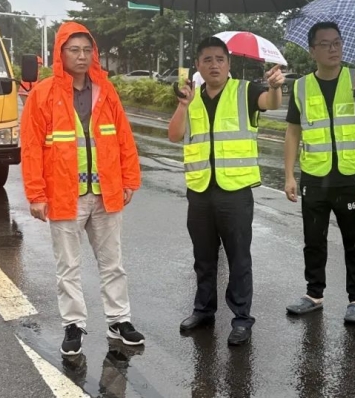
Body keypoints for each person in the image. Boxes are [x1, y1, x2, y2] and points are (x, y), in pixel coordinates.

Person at [21, 21, 144, 356]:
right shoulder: (43, 94)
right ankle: (72, 325)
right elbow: (31, 147)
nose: (81, 56)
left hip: (105, 193)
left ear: (95, 54)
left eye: (87, 50)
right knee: (68, 267)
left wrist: (130, 179)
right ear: (60, 53)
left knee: (112, 262)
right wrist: (35, 194)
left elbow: (123, 139)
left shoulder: (106, 90)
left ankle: (120, 320)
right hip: (64, 196)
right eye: (74, 49)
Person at [168, 36, 285, 346]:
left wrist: (275, 87)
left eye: (220, 59)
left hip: (234, 192)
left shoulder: (245, 91)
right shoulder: (190, 97)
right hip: (200, 191)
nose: (214, 65)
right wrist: (182, 105)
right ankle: (203, 311)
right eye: (207, 59)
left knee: (238, 258)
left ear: (229, 63)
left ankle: (242, 318)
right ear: (198, 65)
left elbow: (271, 104)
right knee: (203, 258)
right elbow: (174, 135)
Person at [283, 21, 355, 324]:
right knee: (313, 239)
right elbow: (292, 132)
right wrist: (289, 175)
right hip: (314, 176)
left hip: (351, 177)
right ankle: (314, 294)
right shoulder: (300, 86)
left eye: (337, 42)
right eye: (325, 44)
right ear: (313, 50)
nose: (333, 49)